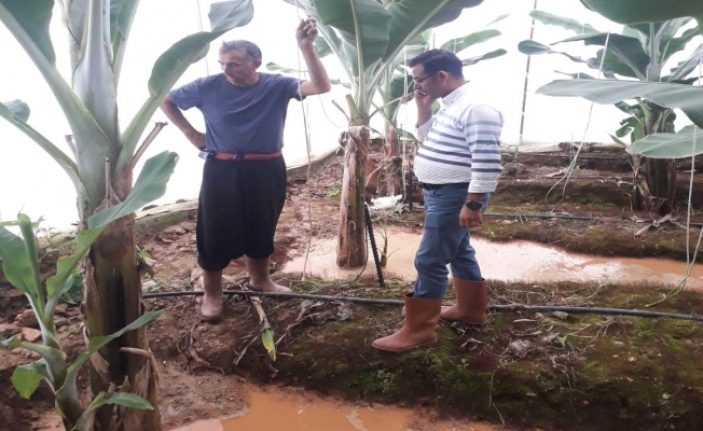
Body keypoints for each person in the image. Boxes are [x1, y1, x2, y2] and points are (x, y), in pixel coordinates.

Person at [160, 18, 331, 321]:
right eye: (222, 64)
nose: (226, 70)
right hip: (221, 168)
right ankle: (212, 294)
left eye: (234, 64)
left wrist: (306, 48)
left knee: (262, 223)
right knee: (214, 230)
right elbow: (164, 97)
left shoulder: (276, 85)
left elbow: (320, 86)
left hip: (266, 167)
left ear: (256, 63)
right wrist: (190, 133)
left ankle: (261, 281)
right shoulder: (207, 85)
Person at [372, 49, 503, 352]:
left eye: (420, 80)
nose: (418, 86)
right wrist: (422, 107)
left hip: (455, 193)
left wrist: (473, 203)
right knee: (459, 251)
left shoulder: (476, 108)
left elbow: (488, 160)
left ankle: (419, 330)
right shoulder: (451, 105)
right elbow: (429, 138)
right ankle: (471, 311)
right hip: (441, 193)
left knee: (429, 259)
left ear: (442, 76)